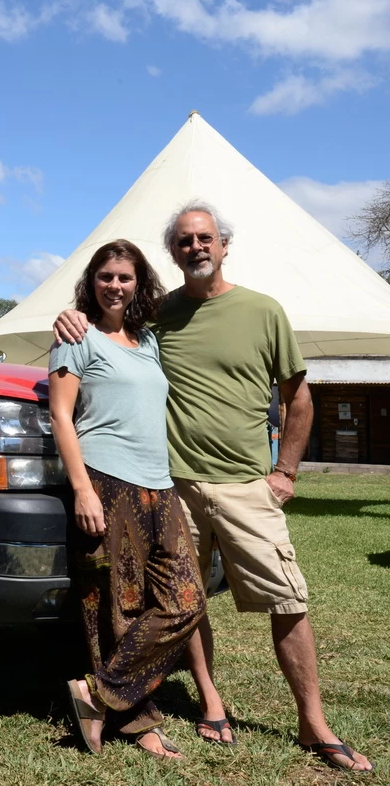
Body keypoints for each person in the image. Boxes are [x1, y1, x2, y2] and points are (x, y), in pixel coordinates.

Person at [54, 201, 374, 773]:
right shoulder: (159, 320)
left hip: (247, 484)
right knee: (183, 602)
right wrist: (68, 316)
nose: (196, 247)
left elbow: (298, 397)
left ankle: (313, 722)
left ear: (224, 245)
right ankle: (211, 702)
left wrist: (287, 472)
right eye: (183, 241)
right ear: (173, 254)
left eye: (205, 238)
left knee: (287, 597)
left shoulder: (262, 310)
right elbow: (99, 339)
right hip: (173, 483)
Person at [50, 239, 206, 759]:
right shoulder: (76, 337)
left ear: (139, 283)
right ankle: (136, 722)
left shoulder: (149, 341)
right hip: (105, 481)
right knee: (116, 610)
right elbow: (60, 417)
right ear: (91, 280)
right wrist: (81, 489)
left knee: (186, 602)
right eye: (105, 276)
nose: (114, 285)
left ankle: (95, 695)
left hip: (158, 486)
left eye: (125, 277)